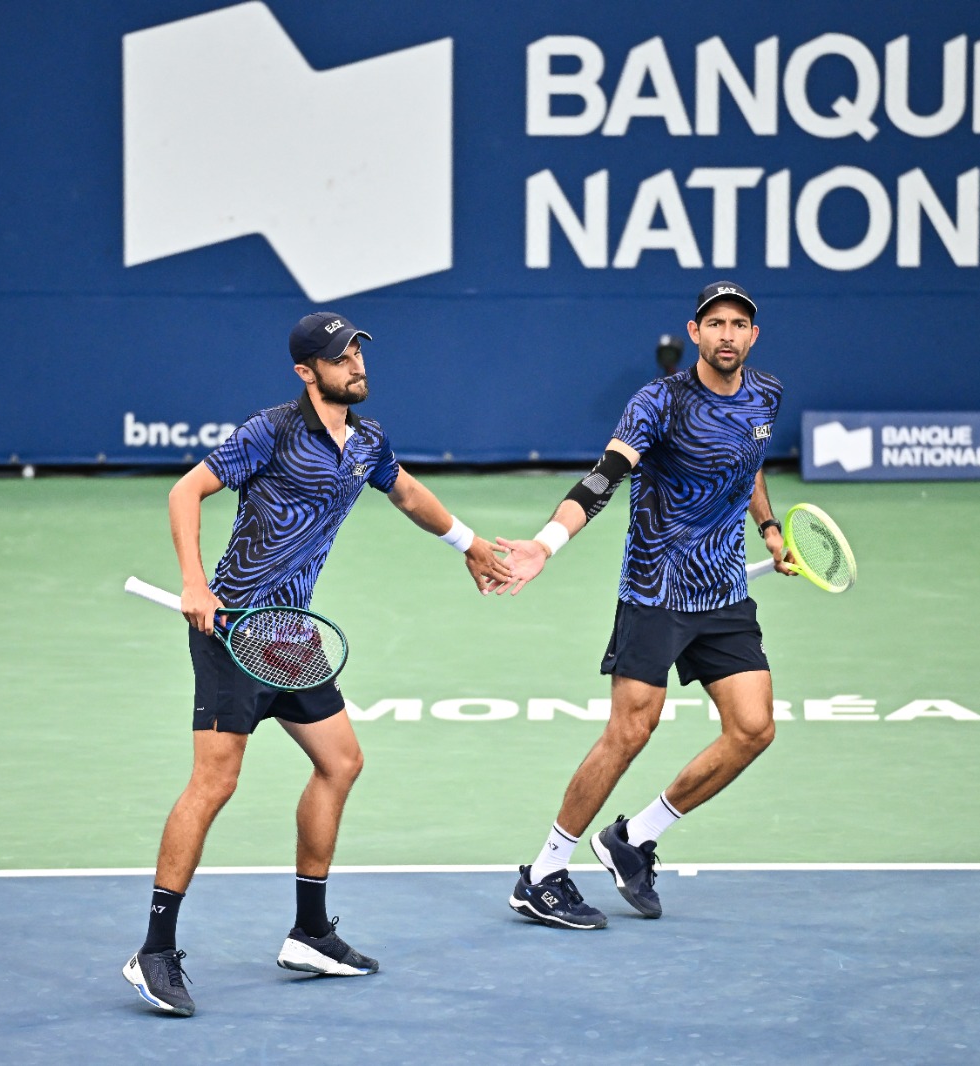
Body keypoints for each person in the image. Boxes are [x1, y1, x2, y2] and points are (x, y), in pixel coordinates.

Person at [123, 311, 511, 1014]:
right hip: (233, 630)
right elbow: (186, 491)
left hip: (289, 636)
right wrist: (194, 582)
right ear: (308, 373)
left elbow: (407, 493)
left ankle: (309, 932)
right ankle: (154, 950)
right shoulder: (269, 432)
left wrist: (471, 544)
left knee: (341, 762)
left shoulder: (366, 440)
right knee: (215, 783)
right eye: (341, 359)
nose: (357, 365)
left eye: (358, 352)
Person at [495, 281, 794, 929]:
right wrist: (548, 543)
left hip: (723, 593)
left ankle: (633, 837)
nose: (725, 334)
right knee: (632, 729)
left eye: (737, 324)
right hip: (656, 589)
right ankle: (542, 873)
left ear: (753, 336)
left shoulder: (765, 394)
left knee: (753, 729)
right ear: (695, 333)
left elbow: (751, 464)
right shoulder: (658, 402)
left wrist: (768, 528)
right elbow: (604, 476)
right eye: (713, 323)